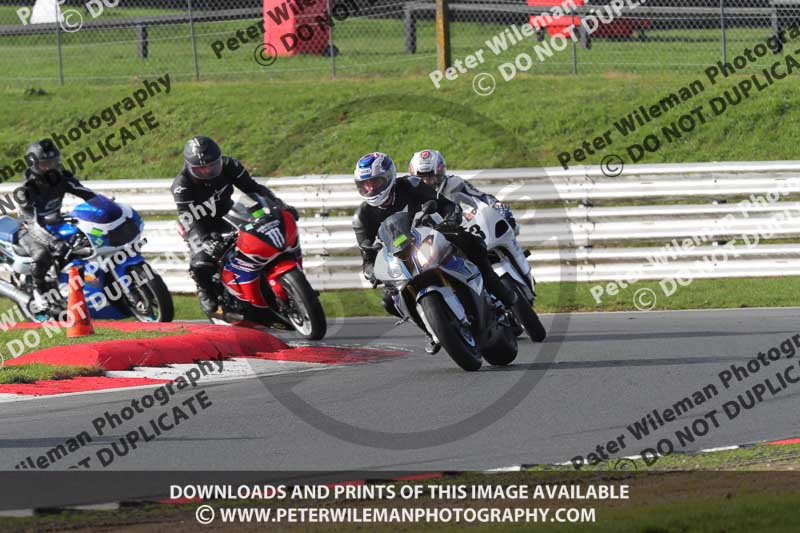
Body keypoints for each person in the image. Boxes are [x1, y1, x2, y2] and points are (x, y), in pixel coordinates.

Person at [351, 152, 516, 354]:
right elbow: (367, 257)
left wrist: (450, 219)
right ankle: (430, 330)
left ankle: (499, 292)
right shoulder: (362, 217)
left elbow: (446, 205)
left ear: (389, 177)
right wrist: (371, 272)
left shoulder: (410, 185)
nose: (371, 189)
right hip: (400, 258)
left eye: (375, 182)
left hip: (432, 235)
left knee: (472, 243)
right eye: (365, 185)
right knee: (388, 300)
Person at [171, 136, 298, 314]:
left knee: (260, 234)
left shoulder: (230, 165)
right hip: (198, 225)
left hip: (228, 214)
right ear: (189, 167)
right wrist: (205, 240)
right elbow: (188, 217)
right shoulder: (181, 186)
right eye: (201, 169)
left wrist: (279, 205)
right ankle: (205, 291)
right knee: (201, 261)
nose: (207, 171)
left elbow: (253, 189)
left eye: (212, 166)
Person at [15, 139, 97, 312]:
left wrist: (107, 207)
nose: (50, 168)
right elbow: (32, 223)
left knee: (83, 241)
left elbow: (86, 193)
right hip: (30, 230)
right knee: (42, 254)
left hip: (55, 223)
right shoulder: (25, 190)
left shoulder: (61, 177)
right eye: (45, 164)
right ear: (34, 165)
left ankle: (84, 287)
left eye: (53, 162)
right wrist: (53, 242)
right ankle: (41, 292)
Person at [408, 149, 517, 233]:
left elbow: (481, 197)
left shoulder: (455, 184)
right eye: (421, 178)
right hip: (430, 242)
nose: (426, 182)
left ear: (440, 173)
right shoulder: (410, 195)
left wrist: (497, 206)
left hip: (462, 234)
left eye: (430, 177)